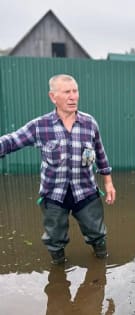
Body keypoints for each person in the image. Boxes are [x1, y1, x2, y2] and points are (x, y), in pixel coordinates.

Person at [0, 74, 116, 264]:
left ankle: (101, 262)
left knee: (97, 233)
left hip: (85, 191)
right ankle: (59, 269)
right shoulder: (40, 126)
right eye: (66, 92)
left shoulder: (89, 123)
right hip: (54, 194)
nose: (73, 97)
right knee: (54, 239)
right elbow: (12, 140)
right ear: (53, 97)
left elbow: (100, 153)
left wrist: (108, 182)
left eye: (75, 91)